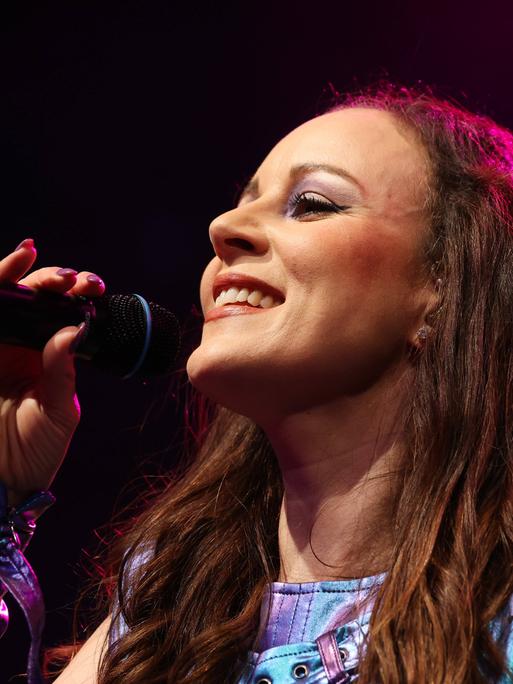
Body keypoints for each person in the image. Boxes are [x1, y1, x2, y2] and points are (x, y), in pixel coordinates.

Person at [2, 82, 513, 683]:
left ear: (445, 290)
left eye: (312, 204)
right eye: (244, 200)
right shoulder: (165, 604)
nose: (223, 227)